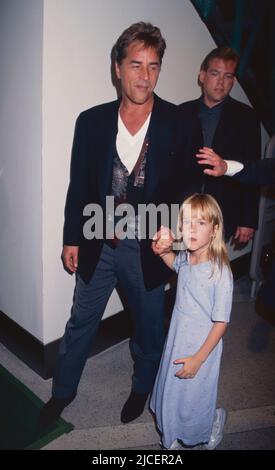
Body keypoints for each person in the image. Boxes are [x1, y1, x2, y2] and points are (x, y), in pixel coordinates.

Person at [38, 22, 182, 429]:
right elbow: (79, 184)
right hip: (98, 241)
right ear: (117, 68)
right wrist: (72, 238)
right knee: (81, 322)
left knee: (149, 327)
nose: (145, 76)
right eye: (136, 65)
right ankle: (62, 393)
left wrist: (173, 231)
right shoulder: (91, 121)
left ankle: (142, 386)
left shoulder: (177, 121)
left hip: (150, 246)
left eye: (153, 66)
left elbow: (188, 184)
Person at [150, 193, 233, 450]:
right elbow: (176, 266)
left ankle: (210, 423)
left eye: (201, 223)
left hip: (202, 346)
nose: (192, 229)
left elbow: (221, 323)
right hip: (178, 337)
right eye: (187, 222)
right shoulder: (188, 256)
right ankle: (171, 433)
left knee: (195, 395)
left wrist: (198, 358)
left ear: (214, 230)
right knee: (173, 388)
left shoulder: (220, 273)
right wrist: (162, 252)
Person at [178, 47, 261, 244]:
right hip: (181, 207)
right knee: (177, 266)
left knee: (209, 270)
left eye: (228, 76)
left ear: (233, 80)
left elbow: (252, 170)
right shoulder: (180, 113)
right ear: (202, 76)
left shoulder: (247, 117)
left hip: (222, 209)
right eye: (215, 73)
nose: (221, 82)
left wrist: (248, 220)